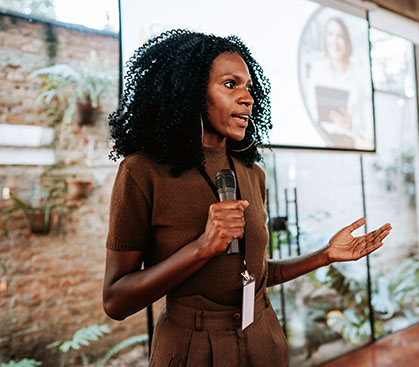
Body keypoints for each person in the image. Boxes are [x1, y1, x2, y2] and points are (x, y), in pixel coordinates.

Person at [102, 29, 391, 367]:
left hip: (263, 336)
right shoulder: (142, 172)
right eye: (230, 84)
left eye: (249, 88)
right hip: (191, 346)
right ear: (191, 92)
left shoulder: (252, 173)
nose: (247, 98)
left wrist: (325, 255)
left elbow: (255, 273)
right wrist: (202, 247)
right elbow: (115, 300)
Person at [306, 16, 373, 149]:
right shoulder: (317, 69)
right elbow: (310, 108)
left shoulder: (358, 75)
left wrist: (349, 125)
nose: (334, 42)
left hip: (346, 143)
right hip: (317, 141)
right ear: (325, 38)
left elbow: (362, 121)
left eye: (340, 36)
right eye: (330, 34)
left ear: (346, 41)